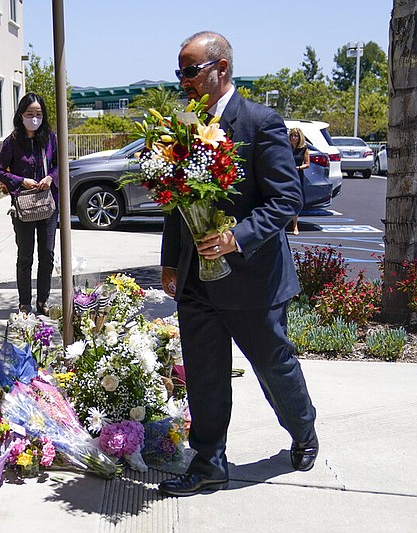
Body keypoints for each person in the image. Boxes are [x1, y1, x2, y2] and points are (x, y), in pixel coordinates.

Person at [158, 31, 318, 497]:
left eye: (191, 71)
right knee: (204, 376)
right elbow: (175, 203)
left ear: (220, 68)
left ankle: (303, 432)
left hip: (252, 282)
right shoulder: (184, 126)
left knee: (275, 368)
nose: (184, 81)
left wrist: (235, 238)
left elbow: (288, 198)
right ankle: (208, 463)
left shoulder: (260, 123)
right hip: (196, 281)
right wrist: (170, 263)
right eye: (180, 72)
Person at [0, 93, 59, 316]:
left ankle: (43, 300)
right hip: (23, 207)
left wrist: (50, 178)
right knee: (25, 256)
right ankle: (24, 302)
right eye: (30, 113)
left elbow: (59, 165)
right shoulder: (12, 142)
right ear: (21, 115)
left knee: (47, 254)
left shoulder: (50, 138)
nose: (34, 118)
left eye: (38, 114)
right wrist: (21, 181)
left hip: (48, 205)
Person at [289, 128, 310, 235]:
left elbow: (307, 164)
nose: (294, 138)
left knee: (295, 200)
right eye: (292, 135)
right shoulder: (286, 148)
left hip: (297, 175)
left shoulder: (304, 149)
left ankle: (295, 225)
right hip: (287, 175)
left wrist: (298, 168)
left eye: (296, 136)